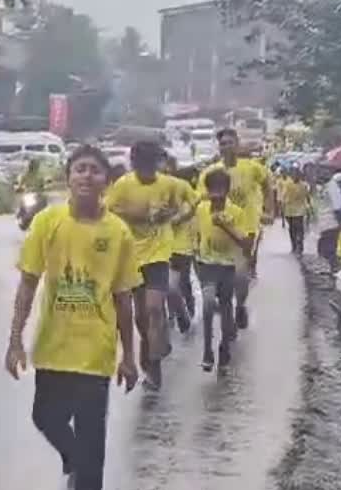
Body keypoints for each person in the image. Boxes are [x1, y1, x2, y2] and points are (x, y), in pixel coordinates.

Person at [6, 144, 139, 490]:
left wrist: (129, 355)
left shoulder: (118, 232)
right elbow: (28, 283)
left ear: (106, 181)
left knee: (91, 429)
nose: (86, 176)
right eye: (79, 169)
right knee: (44, 417)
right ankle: (72, 462)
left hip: (96, 348)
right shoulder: (47, 222)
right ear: (68, 177)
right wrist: (14, 341)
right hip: (52, 343)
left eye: (94, 171)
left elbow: (123, 296)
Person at [105, 141, 186, 389]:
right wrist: (137, 217)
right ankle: (152, 354)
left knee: (153, 309)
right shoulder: (123, 186)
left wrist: (170, 216)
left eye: (151, 165)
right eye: (142, 165)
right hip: (131, 256)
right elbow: (110, 214)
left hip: (158, 253)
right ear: (134, 163)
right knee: (140, 317)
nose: (147, 170)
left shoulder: (169, 184)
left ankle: (154, 366)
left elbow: (181, 204)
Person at [198, 128, 272, 330]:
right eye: (223, 143)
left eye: (230, 142)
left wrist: (269, 209)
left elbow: (267, 185)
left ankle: (239, 305)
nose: (226, 146)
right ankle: (226, 308)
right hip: (218, 232)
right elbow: (202, 199)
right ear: (219, 147)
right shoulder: (210, 172)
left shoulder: (252, 167)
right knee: (222, 276)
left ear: (237, 144)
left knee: (241, 275)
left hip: (245, 228)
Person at [193, 169, 251, 371]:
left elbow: (245, 243)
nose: (216, 194)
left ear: (227, 191)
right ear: (208, 191)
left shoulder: (236, 212)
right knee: (208, 305)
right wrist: (196, 261)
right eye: (212, 190)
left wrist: (227, 226)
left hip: (228, 266)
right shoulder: (201, 209)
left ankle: (224, 348)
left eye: (221, 190)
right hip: (206, 265)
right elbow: (197, 237)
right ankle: (207, 351)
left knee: (226, 306)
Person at [161, 155, 199, 323]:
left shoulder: (182, 186)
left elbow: (195, 204)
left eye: (168, 166)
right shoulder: (149, 188)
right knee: (165, 284)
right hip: (159, 245)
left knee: (182, 282)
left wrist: (182, 218)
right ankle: (172, 314)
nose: (165, 170)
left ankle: (188, 307)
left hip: (181, 244)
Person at [280, 169, 311, 254]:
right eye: (294, 175)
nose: (295, 177)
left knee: (297, 228)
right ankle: (295, 245)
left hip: (298, 210)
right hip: (290, 210)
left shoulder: (303, 185)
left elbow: (307, 196)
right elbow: (283, 197)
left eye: (296, 175)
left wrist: (309, 206)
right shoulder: (288, 185)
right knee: (294, 229)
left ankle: (298, 246)